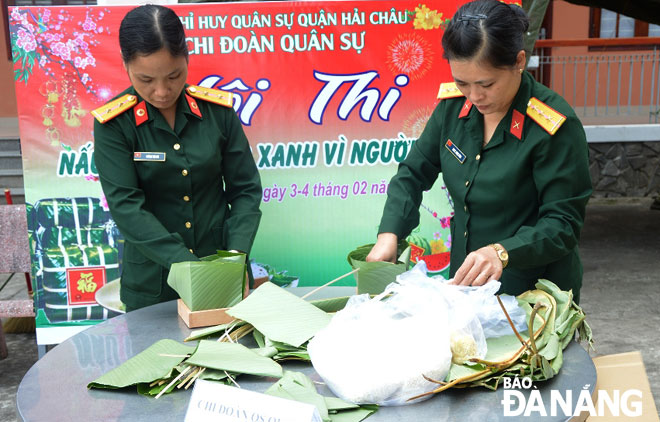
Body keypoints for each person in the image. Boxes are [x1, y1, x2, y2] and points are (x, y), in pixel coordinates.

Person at [366, 0, 592, 303]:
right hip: (466, 289)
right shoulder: (453, 108)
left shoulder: (551, 125)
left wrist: (502, 252)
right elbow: (413, 172)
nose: (474, 96)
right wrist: (389, 234)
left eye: (486, 84)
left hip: (533, 294)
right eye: (462, 83)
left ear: (519, 61)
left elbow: (562, 224)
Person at [93, 5, 262, 311]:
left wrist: (236, 256)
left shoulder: (216, 111)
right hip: (153, 283)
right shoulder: (115, 123)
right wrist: (188, 267)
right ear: (125, 64)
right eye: (146, 80)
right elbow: (127, 207)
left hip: (222, 269)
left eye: (173, 75)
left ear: (187, 57)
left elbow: (245, 189)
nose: (161, 92)